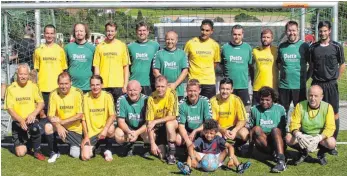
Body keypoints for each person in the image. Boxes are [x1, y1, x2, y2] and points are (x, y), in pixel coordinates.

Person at [308, 21, 345, 155]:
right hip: (317, 84)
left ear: (329, 31)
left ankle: (332, 144)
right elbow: (311, 67)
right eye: (320, 31)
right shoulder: (313, 47)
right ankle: (316, 141)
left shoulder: (337, 46)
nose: (322, 33)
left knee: (334, 113)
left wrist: (336, 79)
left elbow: (342, 64)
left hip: (331, 85)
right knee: (317, 114)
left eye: (325, 30)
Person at [177, 119, 251, 174]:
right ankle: (187, 168)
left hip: (216, 160)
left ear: (216, 132)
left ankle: (239, 166)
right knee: (192, 151)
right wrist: (193, 158)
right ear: (203, 131)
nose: (209, 135)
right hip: (202, 160)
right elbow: (190, 147)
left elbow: (230, 147)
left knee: (227, 150)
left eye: (211, 133)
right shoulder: (200, 139)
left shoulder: (218, 139)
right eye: (206, 133)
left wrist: (231, 159)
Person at [286, 85, 336, 166]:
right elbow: (294, 123)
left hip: (319, 137)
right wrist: (298, 134)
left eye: (316, 96)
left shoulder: (327, 107)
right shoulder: (300, 105)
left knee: (332, 143)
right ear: (307, 95)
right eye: (311, 95)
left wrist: (319, 137)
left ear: (321, 97)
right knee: (288, 138)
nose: (313, 98)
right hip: (304, 136)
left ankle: (321, 153)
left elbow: (330, 127)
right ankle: (303, 152)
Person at [4, 63, 45, 160]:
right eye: (21, 74)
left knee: (35, 129)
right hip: (18, 123)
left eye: (25, 74)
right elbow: (9, 108)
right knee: (21, 153)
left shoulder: (33, 86)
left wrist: (33, 114)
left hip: (31, 121)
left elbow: (41, 103)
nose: (23, 76)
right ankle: (27, 144)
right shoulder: (10, 88)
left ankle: (37, 151)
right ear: (17, 74)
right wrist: (20, 120)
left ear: (28, 75)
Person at [44, 72, 84, 163]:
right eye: (61, 84)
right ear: (58, 83)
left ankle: (73, 144)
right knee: (48, 127)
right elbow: (50, 115)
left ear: (71, 83)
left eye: (66, 83)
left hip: (75, 129)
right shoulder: (54, 93)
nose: (64, 86)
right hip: (59, 127)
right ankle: (54, 152)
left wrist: (61, 122)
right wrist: (58, 126)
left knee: (75, 155)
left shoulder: (78, 92)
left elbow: (80, 115)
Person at [248, 86, 287, 173]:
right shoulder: (254, 109)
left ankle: (281, 161)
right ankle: (273, 154)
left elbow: (283, 130)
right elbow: (251, 129)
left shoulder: (280, 109)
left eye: (267, 100)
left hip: (277, 140)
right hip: (263, 142)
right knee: (256, 128)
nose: (264, 102)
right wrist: (250, 147)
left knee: (275, 130)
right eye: (262, 99)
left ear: (273, 99)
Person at [33, 24, 67, 117]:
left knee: (57, 114)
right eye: (47, 33)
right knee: (43, 115)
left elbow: (64, 70)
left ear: (55, 34)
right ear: (44, 34)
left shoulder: (60, 50)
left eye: (51, 33)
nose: (49, 35)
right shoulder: (38, 50)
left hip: (57, 88)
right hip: (43, 88)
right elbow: (36, 70)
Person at [80, 75, 117, 162]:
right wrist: (86, 136)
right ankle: (96, 148)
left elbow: (112, 115)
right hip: (91, 132)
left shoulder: (108, 96)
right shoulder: (85, 97)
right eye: (93, 85)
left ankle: (108, 149)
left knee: (111, 129)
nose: (95, 87)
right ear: (90, 86)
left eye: (97, 84)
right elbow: (83, 119)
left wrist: (105, 129)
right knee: (85, 157)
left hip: (104, 130)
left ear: (102, 85)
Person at [93, 22, 130, 102]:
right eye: (108, 31)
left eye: (112, 31)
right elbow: (96, 67)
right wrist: (97, 83)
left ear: (116, 32)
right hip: (103, 85)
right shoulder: (99, 47)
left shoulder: (122, 46)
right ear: (105, 31)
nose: (110, 33)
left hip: (118, 85)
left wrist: (125, 84)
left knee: (118, 111)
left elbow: (126, 67)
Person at [277, 21, 310, 113]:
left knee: (302, 112)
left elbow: (311, 65)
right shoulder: (282, 47)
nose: (292, 33)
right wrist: (285, 74)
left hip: (299, 86)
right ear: (286, 31)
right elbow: (278, 63)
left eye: (294, 30)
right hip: (284, 86)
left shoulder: (304, 46)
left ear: (298, 31)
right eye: (289, 30)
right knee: (282, 113)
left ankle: (300, 128)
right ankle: (283, 128)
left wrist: (305, 78)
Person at [146, 75, 179, 164]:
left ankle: (172, 154)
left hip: (169, 123)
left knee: (169, 124)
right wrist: (152, 144)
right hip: (159, 127)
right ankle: (162, 147)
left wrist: (156, 121)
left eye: (162, 86)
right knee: (161, 155)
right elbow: (149, 123)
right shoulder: (151, 98)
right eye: (158, 86)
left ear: (167, 86)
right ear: (155, 86)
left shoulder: (172, 93)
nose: (160, 89)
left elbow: (173, 116)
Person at [210, 78, 249, 153]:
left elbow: (243, 120)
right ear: (219, 89)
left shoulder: (236, 99)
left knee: (245, 134)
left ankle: (236, 146)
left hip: (233, 127)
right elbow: (213, 121)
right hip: (219, 128)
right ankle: (223, 148)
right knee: (216, 136)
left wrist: (235, 130)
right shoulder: (213, 100)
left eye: (227, 89)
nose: (225, 91)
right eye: (222, 89)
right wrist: (223, 130)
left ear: (232, 90)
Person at [184, 19, 220, 99]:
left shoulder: (215, 45)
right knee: (193, 107)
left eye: (207, 30)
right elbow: (184, 60)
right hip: (193, 82)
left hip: (209, 82)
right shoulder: (190, 43)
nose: (204, 32)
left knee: (209, 108)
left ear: (211, 31)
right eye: (203, 30)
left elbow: (215, 63)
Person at [114, 80, 150, 157]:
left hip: (142, 128)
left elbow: (148, 122)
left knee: (150, 132)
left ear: (140, 89)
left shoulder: (147, 100)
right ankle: (128, 146)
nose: (132, 93)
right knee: (118, 133)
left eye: (135, 90)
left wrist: (137, 133)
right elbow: (120, 121)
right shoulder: (121, 99)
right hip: (128, 127)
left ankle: (147, 148)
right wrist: (129, 132)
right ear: (126, 90)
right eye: (130, 90)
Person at [221, 24, 252, 107]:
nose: (237, 37)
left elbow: (250, 65)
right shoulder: (225, 48)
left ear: (243, 35)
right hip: (228, 87)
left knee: (245, 112)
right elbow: (221, 65)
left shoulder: (247, 48)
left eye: (239, 34)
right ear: (231, 34)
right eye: (235, 34)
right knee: (228, 110)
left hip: (243, 86)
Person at [153, 31, 188, 100]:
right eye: (168, 39)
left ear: (176, 40)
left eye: (172, 39)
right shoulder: (159, 53)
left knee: (177, 110)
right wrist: (164, 85)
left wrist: (175, 84)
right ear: (165, 40)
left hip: (178, 91)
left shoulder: (182, 54)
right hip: (162, 91)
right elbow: (155, 71)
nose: (170, 41)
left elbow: (185, 71)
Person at [176, 79, 212, 148]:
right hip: (188, 131)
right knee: (178, 139)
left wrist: (195, 131)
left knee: (214, 134)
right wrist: (187, 140)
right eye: (190, 91)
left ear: (199, 91)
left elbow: (208, 122)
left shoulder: (205, 101)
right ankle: (184, 150)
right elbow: (181, 126)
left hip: (202, 130)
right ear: (186, 90)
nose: (192, 93)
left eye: (195, 91)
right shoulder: (182, 103)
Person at [128, 21, 160, 96]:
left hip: (149, 83)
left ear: (148, 32)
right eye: (139, 30)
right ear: (136, 32)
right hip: (134, 83)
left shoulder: (155, 45)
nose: (142, 33)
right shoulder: (130, 47)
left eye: (144, 30)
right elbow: (127, 66)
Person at [65, 23, 95, 93]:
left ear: (85, 33)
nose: (79, 33)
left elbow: (95, 67)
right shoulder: (68, 48)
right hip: (72, 87)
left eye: (81, 31)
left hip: (88, 87)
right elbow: (64, 67)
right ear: (74, 33)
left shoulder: (92, 48)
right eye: (77, 31)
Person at [251, 29, 278, 105]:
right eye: (264, 37)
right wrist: (253, 79)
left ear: (272, 39)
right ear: (261, 38)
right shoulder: (255, 51)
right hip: (258, 87)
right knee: (255, 112)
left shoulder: (276, 51)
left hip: (272, 87)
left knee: (272, 114)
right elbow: (250, 66)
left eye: (268, 37)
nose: (265, 39)